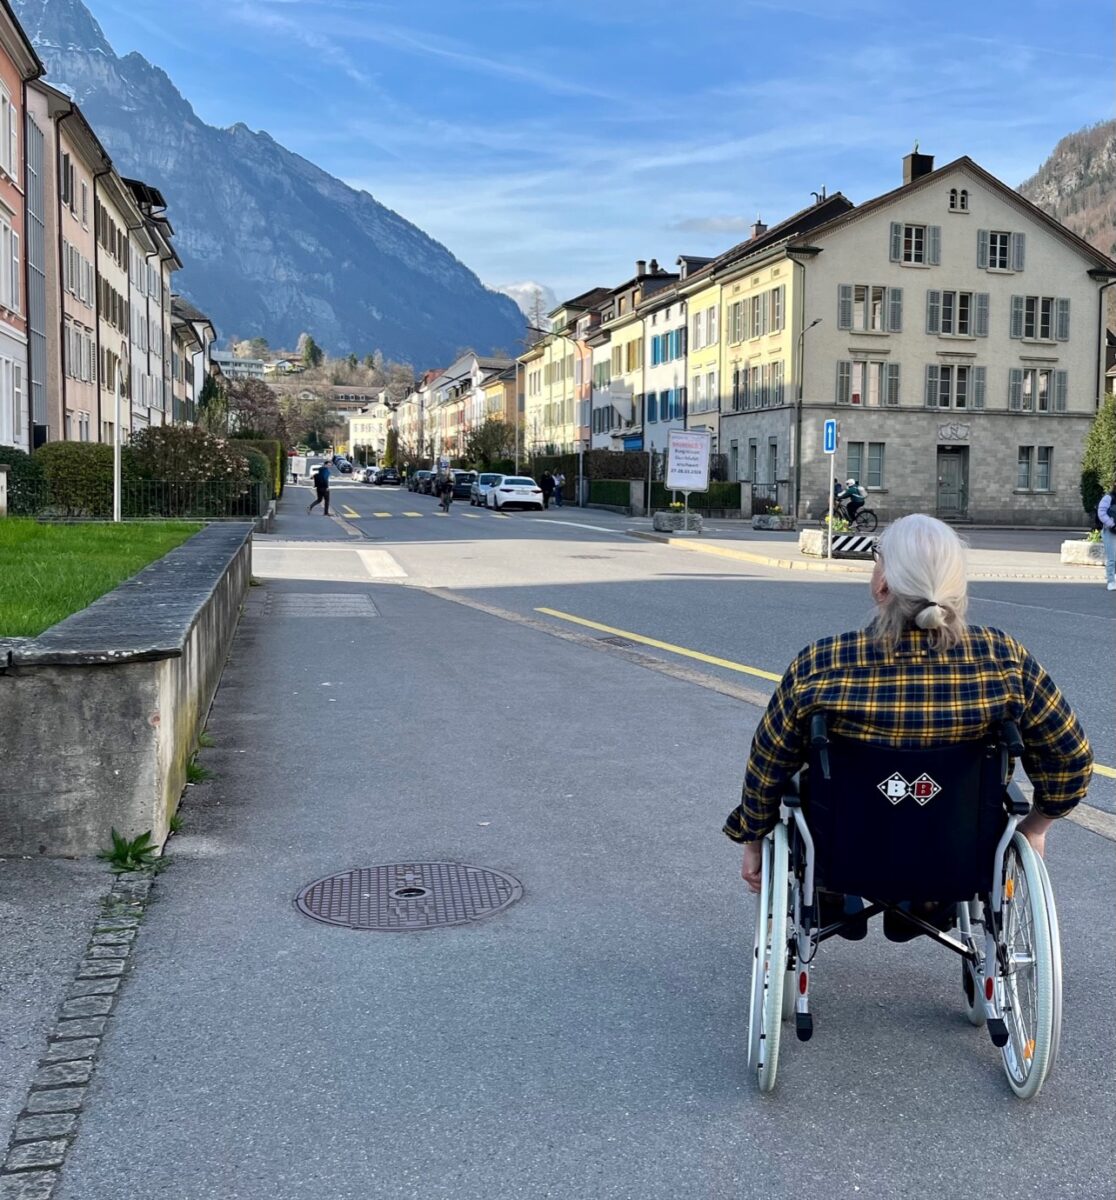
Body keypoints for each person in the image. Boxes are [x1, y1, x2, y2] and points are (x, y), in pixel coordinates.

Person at [724, 514, 1092, 937]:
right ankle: (928, 900)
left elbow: (766, 765)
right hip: (956, 852)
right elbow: (1071, 759)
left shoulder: (822, 663)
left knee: (808, 773)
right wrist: (1036, 827)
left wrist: (753, 839)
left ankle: (830, 895)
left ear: (883, 586)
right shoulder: (1004, 659)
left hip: (845, 852)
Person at [1098, 480, 1116, 591]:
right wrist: (1112, 524)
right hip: (1111, 530)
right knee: (1112, 558)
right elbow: (1101, 512)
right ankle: (1111, 581)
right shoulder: (1108, 498)